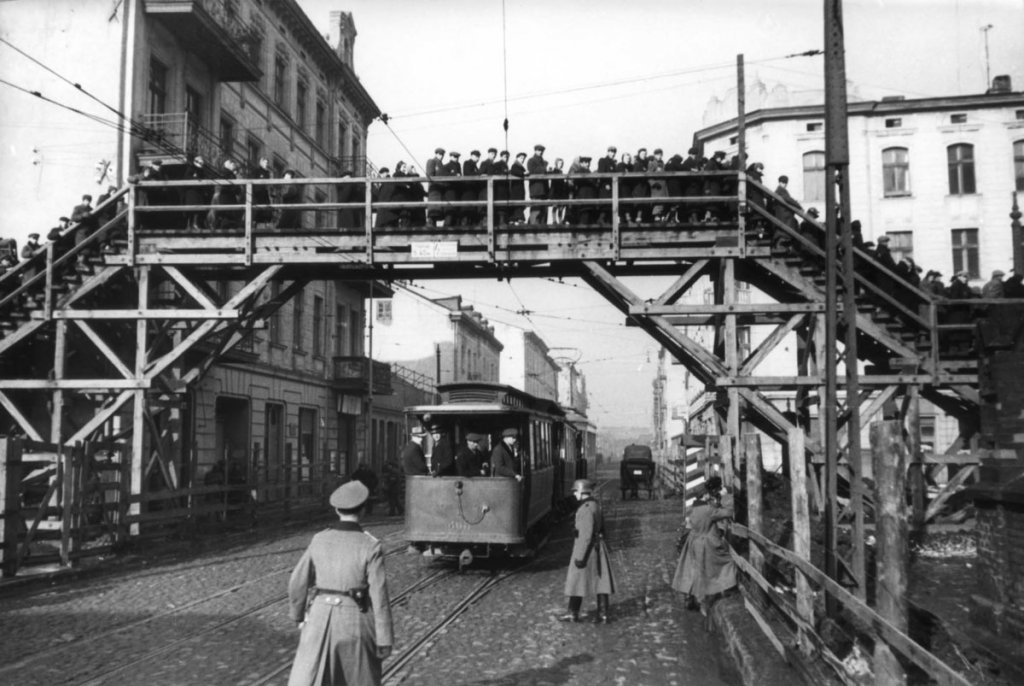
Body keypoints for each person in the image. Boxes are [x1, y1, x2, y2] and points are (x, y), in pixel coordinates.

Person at [286, 480, 393, 686]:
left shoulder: (319, 539)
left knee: (313, 676)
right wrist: (384, 638)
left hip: (318, 618)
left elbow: (297, 581)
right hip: (356, 621)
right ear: (362, 511)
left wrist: (298, 615)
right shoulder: (371, 546)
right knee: (357, 678)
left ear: (336, 510)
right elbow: (379, 597)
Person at [671, 475, 737, 616]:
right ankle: (707, 600)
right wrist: (726, 497)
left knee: (694, 570)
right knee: (725, 564)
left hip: (693, 542)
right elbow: (729, 512)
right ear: (706, 495)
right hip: (706, 543)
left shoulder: (695, 508)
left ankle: (692, 597)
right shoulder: (709, 510)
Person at [559, 479, 615, 623]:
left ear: (582, 492)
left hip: (586, 549)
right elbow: (603, 527)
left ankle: (573, 613)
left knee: (576, 579)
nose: (574, 494)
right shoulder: (596, 505)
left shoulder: (585, 509)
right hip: (597, 547)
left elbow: (585, 535)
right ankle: (603, 614)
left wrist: (580, 556)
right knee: (601, 582)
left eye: (576, 491)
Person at [527, 144, 548, 224]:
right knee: (536, 210)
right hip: (536, 189)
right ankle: (533, 226)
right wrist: (544, 169)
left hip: (544, 189)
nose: (541, 152)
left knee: (543, 210)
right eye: (539, 150)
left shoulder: (543, 162)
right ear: (535, 151)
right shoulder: (531, 160)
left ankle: (541, 226)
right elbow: (532, 170)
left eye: (542, 151)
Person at [425, 147, 445, 226]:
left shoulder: (441, 164)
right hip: (434, 190)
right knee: (433, 212)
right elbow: (430, 175)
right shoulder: (432, 161)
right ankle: (430, 225)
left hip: (440, 191)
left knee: (437, 213)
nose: (441, 156)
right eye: (439, 154)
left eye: (442, 154)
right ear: (436, 154)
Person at [461, 150, 481, 226]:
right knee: (467, 210)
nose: (477, 158)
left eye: (478, 157)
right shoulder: (467, 163)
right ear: (472, 156)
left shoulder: (475, 166)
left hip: (473, 191)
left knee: (471, 210)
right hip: (468, 191)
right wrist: (479, 174)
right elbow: (468, 173)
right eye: (476, 156)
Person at [509, 152, 528, 224]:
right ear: (517, 158)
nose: (522, 160)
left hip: (518, 188)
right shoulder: (515, 165)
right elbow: (514, 171)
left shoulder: (519, 166)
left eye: (523, 158)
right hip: (516, 188)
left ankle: (515, 219)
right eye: (521, 158)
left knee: (518, 203)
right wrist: (523, 173)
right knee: (517, 203)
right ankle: (518, 219)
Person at [549, 158, 568, 225]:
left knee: (561, 207)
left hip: (560, 191)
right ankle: (554, 220)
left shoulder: (560, 171)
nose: (560, 164)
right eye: (559, 163)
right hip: (556, 191)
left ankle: (559, 220)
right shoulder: (555, 171)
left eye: (561, 163)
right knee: (555, 206)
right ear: (556, 163)